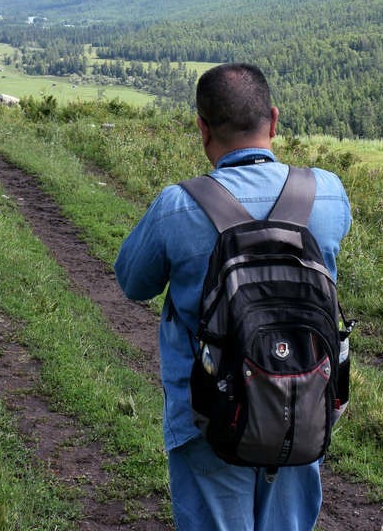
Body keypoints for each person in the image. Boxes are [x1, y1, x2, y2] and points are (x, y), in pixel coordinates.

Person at [114, 63, 352, 531]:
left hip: (208, 413)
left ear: (202, 129)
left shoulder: (178, 205)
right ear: (274, 120)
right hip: (304, 404)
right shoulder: (326, 192)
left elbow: (133, 282)